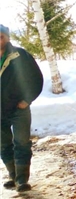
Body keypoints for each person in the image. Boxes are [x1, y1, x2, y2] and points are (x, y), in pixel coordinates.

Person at [0, 24, 44, 192]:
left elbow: (36, 78)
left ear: (7, 37)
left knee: (22, 143)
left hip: (19, 109)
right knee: (3, 145)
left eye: (1, 36)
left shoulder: (21, 55)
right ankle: (13, 175)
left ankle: (22, 179)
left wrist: (27, 99)